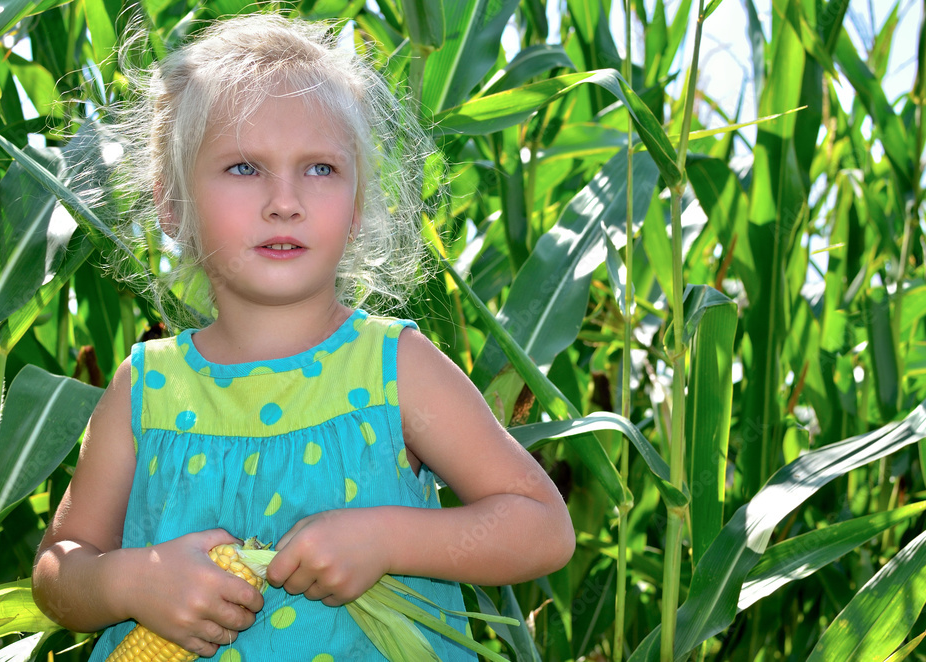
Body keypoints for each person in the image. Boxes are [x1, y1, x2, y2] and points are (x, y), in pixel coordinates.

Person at [32, 11, 575, 661]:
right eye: (243, 168)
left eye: (319, 169)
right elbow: (59, 572)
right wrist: (128, 580)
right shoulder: (145, 389)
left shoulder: (395, 369)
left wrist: (387, 539)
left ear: (357, 204)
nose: (284, 201)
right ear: (172, 203)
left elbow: (541, 527)